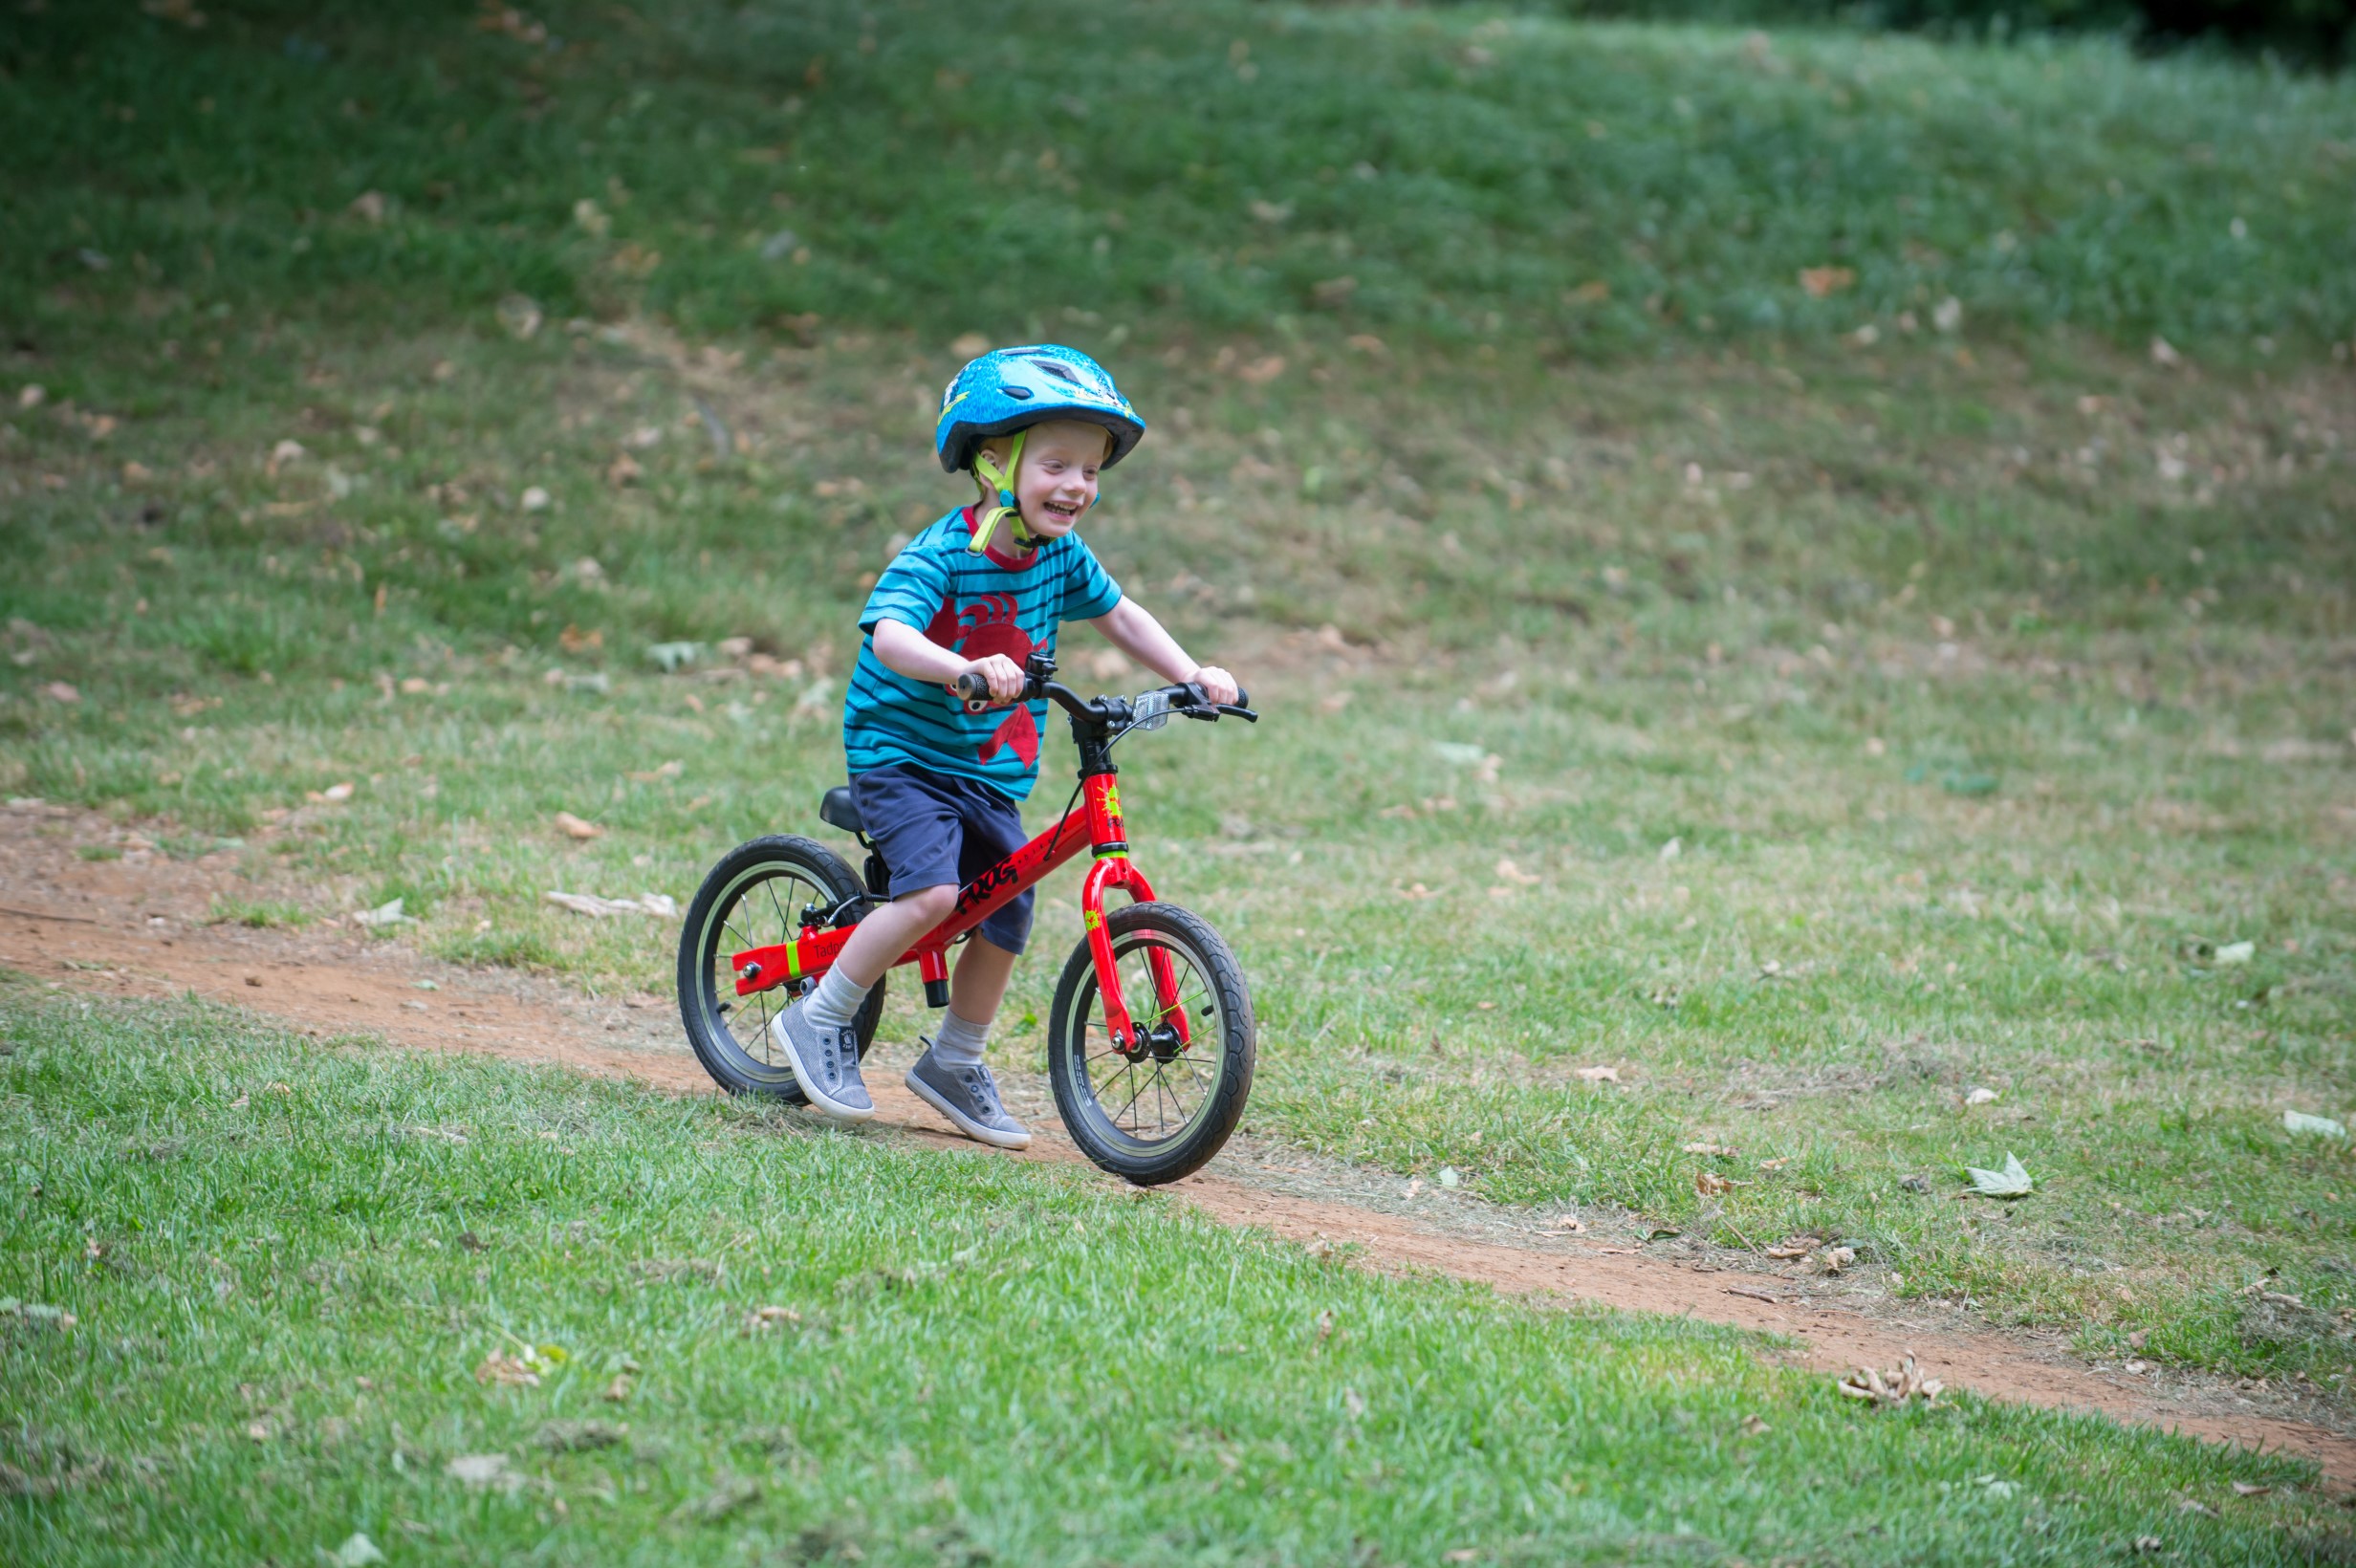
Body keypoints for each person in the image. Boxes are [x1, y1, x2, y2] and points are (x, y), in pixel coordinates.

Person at [771, 343, 1240, 1147]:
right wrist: (961, 669)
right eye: (1056, 463)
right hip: (903, 753)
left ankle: (954, 1059)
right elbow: (888, 636)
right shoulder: (943, 552)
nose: (1078, 486)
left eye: (1091, 470)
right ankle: (819, 1019)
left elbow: (1121, 615)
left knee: (1008, 906)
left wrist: (1192, 672)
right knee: (931, 897)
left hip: (986, 765)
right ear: (995, 464)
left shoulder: (1059, 554)